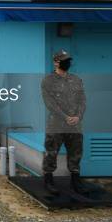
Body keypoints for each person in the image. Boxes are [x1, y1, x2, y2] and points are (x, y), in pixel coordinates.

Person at [40, 49, 87, 195]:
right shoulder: (48, 80)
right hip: (56, 124)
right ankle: (48, 180)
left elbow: (82, 101)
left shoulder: (76, 79)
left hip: (75, 125)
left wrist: (78, 116)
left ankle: (75, 181)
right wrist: (65, 117)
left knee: (76, 153)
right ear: (56, 62)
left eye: (69, 60)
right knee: (51, 152)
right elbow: (50, 103)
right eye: (64, 60)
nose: (68, 63)